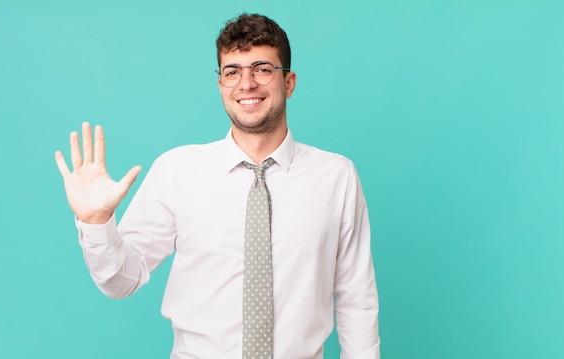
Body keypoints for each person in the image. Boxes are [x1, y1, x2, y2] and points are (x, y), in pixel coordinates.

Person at [55, 13, 379, 359]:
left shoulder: (336, 177)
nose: (247, 84)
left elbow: (356, 300)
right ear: (221, 84)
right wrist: (96, 224)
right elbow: (120, 281)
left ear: (289, 82)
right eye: (232, 72)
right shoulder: (176, 171)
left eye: (262, 69)